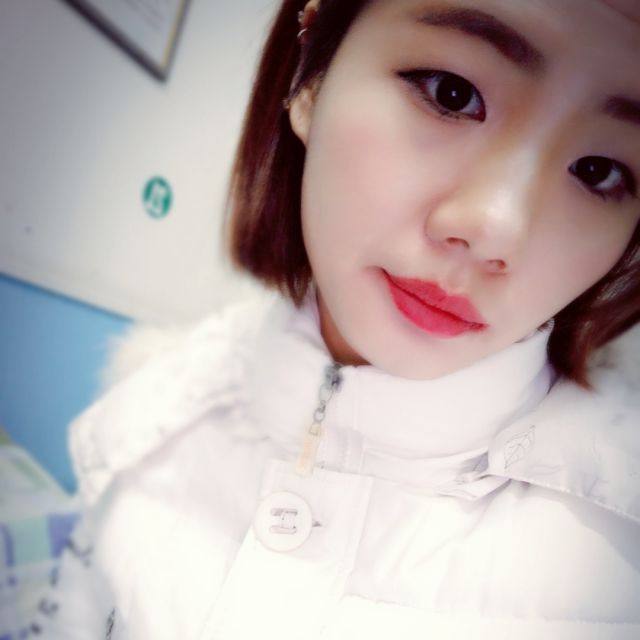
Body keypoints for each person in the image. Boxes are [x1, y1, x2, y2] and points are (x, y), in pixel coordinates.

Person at [38, 0, 640, 637]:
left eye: (598, 172)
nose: (496, 230)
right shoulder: (147, 418)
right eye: (452, 93)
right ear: (311, 76)